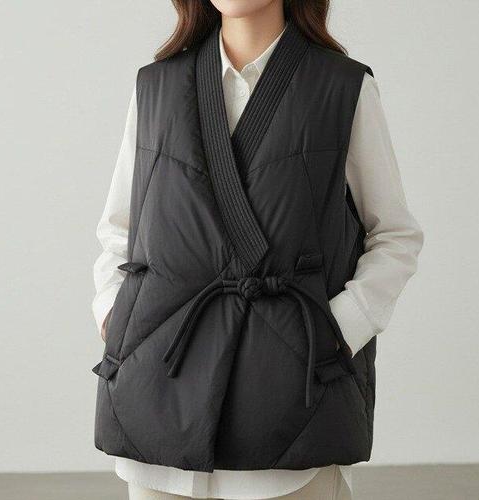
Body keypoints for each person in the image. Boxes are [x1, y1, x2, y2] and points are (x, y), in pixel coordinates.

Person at [92, 1, 423, 499]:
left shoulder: (342, 86)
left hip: (290, 389)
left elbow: (394, 233)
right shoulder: (156, 86)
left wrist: (339, 329)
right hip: (159, 383)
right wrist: (111, 313)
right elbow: (121, 229)